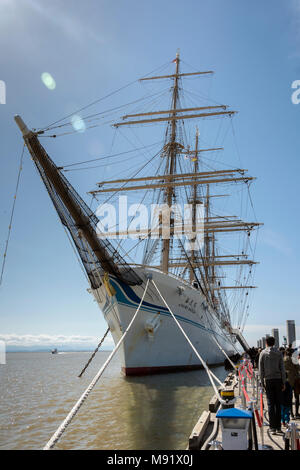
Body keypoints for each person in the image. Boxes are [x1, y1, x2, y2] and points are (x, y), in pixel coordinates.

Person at [259, 336, 286, 434]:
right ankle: (278, 427)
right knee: (278, 404)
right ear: (274, 343)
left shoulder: (262, 353)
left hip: (268, 380)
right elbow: (282, 369)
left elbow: (261, 370)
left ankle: (272, 427)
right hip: (278, 380)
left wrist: (262, 382)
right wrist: (283, 382)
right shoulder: (279, 353)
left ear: (266, 343)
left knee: (270, 404)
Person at [284, 350, 300, 419]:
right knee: (297, 397)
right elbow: (298, 368)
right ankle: (296, 413)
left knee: (289, 398)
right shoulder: (294, 359)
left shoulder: (283, 359)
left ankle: (291, 414)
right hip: (296, 379)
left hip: (287, 380)